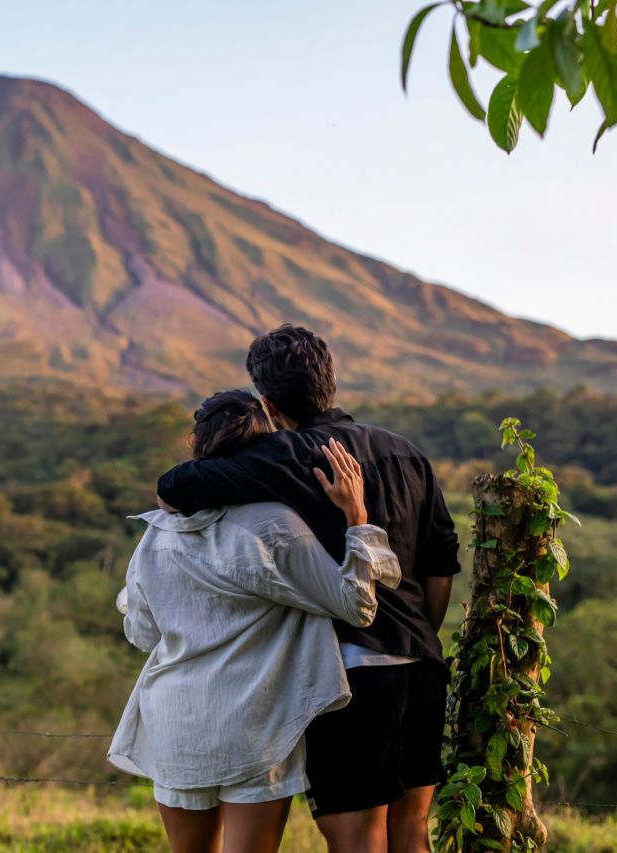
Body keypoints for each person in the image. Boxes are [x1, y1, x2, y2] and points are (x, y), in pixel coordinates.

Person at [157, 326, 461, 853]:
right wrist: (415, 637)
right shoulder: (406, 452)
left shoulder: (284, 456)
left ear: (269, 404)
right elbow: (440, 567)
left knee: (358, 839)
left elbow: (175, 486)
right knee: (411, 834)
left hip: (352, 676)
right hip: (422, 666)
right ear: (330, 381)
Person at [109, 390, 402, 853]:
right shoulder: (274, 524)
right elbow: (356, 605)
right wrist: (357, 518)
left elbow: (142, 633)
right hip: (252, 726)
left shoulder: (155, 536)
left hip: (175, 722)